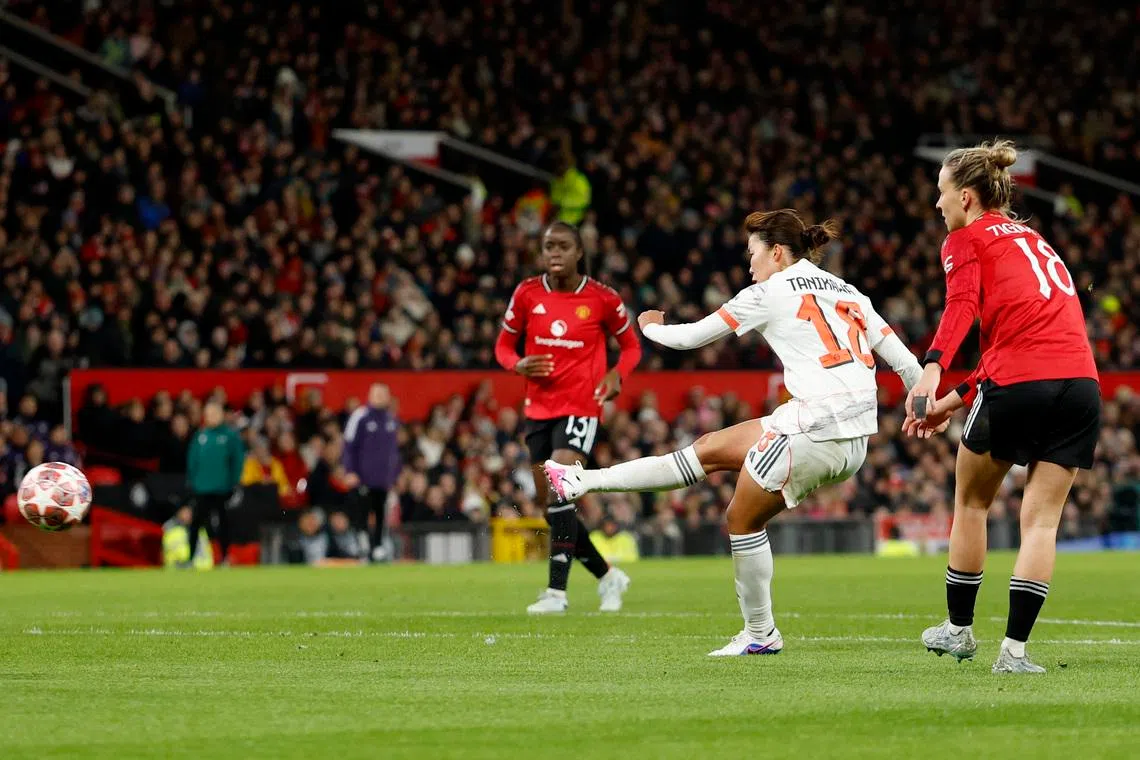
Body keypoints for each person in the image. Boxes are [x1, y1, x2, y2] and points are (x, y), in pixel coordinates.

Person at [543, 209, 925, 653]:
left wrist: (650, 327)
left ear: (776, 252)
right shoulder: (849, 291)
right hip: (848, 432)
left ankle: (760, 635)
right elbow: (906, 363)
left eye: (752, 253)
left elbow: (689, 339)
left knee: (741, 519)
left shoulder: (768, 291)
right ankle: (583, 480)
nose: (749, 265)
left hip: (814, 429)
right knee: (708, 449)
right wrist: (926, 407)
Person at [903, 141, 1101, 674]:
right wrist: (953, 402)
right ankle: (1014, 653)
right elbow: (1016, 344)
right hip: (1082, 386)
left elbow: (961, 306)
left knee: (971, 502)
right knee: (1042, 523)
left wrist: (932, 368)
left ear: (966, 197)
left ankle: (959, 630)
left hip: (1020, 384)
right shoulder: (1033, 240)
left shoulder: (965, 238)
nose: (937, 204)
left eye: (941, 192)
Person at [494, 221, 642, 613]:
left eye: (562, 246)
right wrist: (517, 364)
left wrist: (617, 375)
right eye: (548, 247)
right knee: (551, 509)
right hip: (538, 409)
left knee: (560, 488)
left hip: (581, 406)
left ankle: (556, 594)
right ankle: (608, 576)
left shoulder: (602, 298)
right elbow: (503, 346)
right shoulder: (527, 293)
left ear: (579, 252)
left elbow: (631, 347)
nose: (554, 253)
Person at [342, 383, 402, 561]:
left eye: (383, 394)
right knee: (362, 513)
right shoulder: (360, 416)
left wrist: (395, 475)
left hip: (383, 480)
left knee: (381, 513)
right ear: (370, 395)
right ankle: (363, 545)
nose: (380, 397)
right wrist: (350, 470)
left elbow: (394, 451)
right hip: (363, 478)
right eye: (377, 394)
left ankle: (378, 546)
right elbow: (349, 445)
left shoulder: (391, 420)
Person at [186, 401, 245, 564]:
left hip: (222, 488)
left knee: (223, 523)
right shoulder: (200, 435)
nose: (210, 417)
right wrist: (193, 481)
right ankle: (191, 558)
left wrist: (233, 482)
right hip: (202, 488)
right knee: (196, 523)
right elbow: (192, 460)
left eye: (214, 413)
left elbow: (237, 460)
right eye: (208, 414)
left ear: (221, 415)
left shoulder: (230, 436)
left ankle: (224, 557)